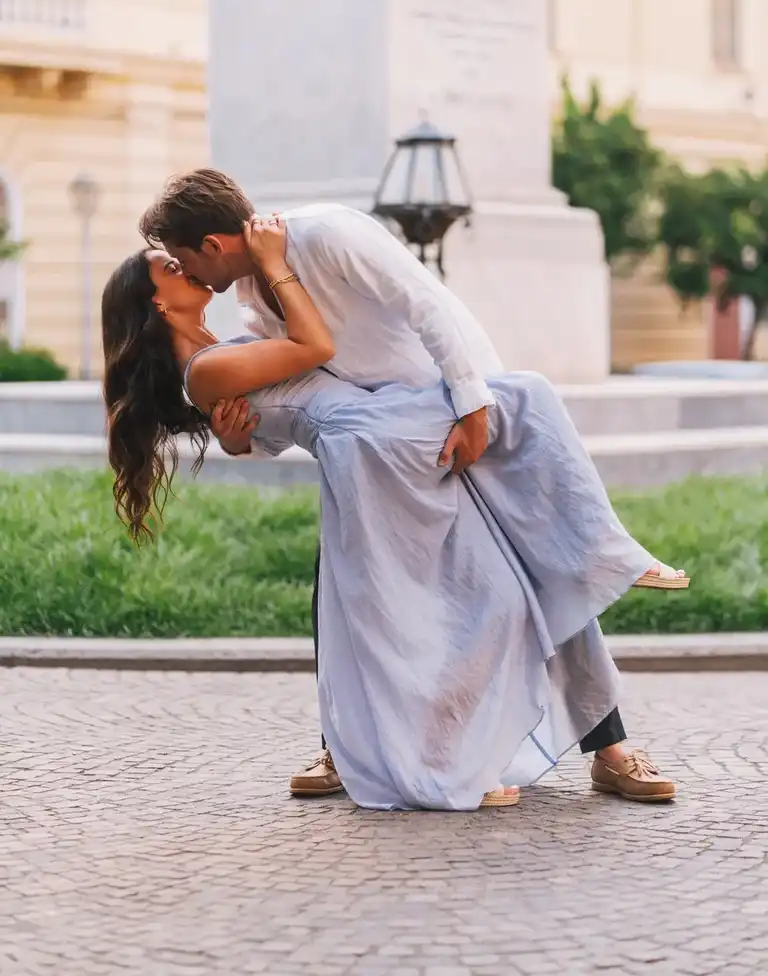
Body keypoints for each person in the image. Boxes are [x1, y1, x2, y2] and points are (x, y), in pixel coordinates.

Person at [133, 169, 688, 805]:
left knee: (528, 577)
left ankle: (611, 749)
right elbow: (290, 396)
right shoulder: (254, 300)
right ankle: (351, 748)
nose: (188, 273)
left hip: (441, 420)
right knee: (348, 600)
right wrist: (241, 440)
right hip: (375, 452)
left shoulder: (328, 233)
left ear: (211, 244)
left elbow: (429, 304)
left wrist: (473, 404)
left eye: (182, 259)